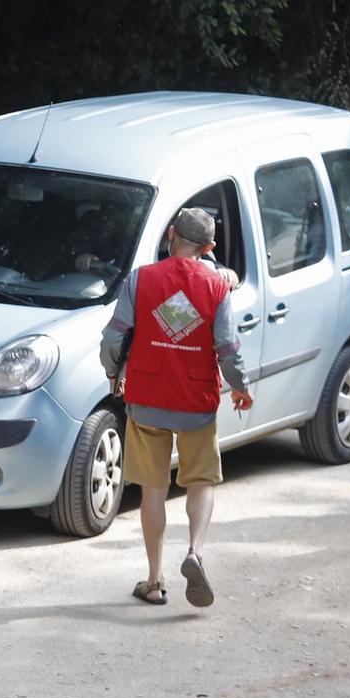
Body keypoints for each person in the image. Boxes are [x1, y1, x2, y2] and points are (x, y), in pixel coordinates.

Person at [100, 206, 254, 608]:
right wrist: (241, 387)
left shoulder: (141, 280)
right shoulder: (216, 286)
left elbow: (114, 337)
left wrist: (113, 371)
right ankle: (194, 552)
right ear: (210, 247)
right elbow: (228, 348)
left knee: (153, 490)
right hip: (195, 401)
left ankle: (153, 580)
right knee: (201, 481)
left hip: (148, 398)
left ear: (171, 234)